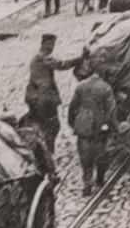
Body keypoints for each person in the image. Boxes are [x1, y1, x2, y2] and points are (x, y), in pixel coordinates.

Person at [68, 61, 118, 195]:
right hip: (100, 127)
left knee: (85, 156)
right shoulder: (106, 88)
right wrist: (114, 129)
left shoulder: (81, 86)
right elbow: (111, 111)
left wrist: (73, 123)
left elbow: (73, 107)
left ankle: (87, 184)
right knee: (101, 154)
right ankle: (100, 179)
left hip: (83, 125)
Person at [24, 34, 78, 156]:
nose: (50, 47)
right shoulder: (43, 58)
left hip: (34, 98)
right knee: (52, 127)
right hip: (44, 100)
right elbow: (62, 65)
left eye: (52, 45)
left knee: (42, 127)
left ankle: (42, 153)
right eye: (48, 44)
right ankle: (47, 155)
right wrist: (80, 58)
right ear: (42, 44)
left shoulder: (35, 59)